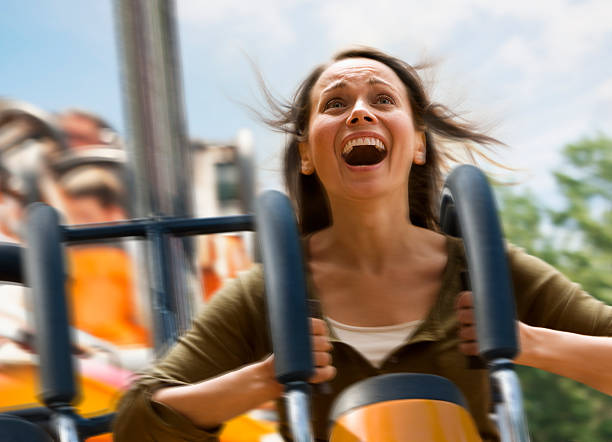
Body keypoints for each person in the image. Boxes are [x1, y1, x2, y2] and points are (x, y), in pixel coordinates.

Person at [112, 47, 612, 441]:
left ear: (417, 143)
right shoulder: (266, 294)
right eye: (335, 104)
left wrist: (532, 342)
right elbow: (137, 421)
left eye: (382, 100)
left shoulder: (484, 270)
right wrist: (265, 378)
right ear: (306, 153)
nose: (358, 114)